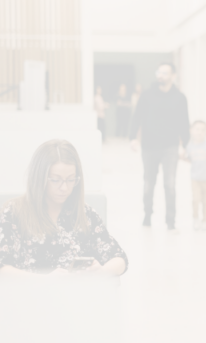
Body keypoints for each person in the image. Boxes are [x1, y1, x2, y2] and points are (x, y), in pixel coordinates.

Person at [0, 140, 128, 277]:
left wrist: (100, 272)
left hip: (77, 296)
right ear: (39, 178)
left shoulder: (85, 214)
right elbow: (3, 267)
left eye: (71, 180)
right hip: (31, 296)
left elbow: (120, 259)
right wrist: (43, 281)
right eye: (55, 180)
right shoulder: (14, 212)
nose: (64, 188)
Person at [129, 63, 190, 231]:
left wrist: (186, 145)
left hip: (170, 146)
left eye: (165, 72)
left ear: (173, 76)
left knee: (169, 184)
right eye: (159, 72)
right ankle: (147, 215)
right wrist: (133, 138)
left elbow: (184, 122)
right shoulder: (147, 95)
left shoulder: (179, 97)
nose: (160, 75)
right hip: (149, 146)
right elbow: (137, 117)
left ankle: (170, 221)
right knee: (149, 183)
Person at [182, 121, 206, 230]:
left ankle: (204, 219)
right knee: (196, 199)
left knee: (205, 201)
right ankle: (195, 218)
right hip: (195, 178)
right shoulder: (189, 146)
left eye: (203, 129)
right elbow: (189, 159)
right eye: (197, 129)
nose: (200, 132)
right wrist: (181, 157)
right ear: (191, 131)